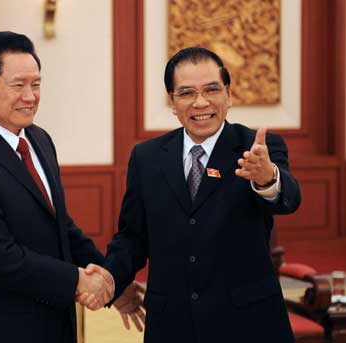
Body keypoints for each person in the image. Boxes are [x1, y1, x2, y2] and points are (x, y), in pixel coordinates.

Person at [0, 31, 142, 343]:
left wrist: (112, 279)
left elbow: (60, 227)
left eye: (36, 84)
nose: (31, 96)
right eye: (18, 85)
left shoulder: (39, 140)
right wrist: (79, 282)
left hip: (51, 322)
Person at [103, 47, 301, 342]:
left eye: (211, 90)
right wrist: (110, 281)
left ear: (228, 95)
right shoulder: (147, 157)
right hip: (172, 324)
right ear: (172, 101)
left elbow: (289, 198)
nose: (200, 103)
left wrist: (266, 178)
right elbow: (132, 237)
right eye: (186, 93)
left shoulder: (258, 147)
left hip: (248, 324)